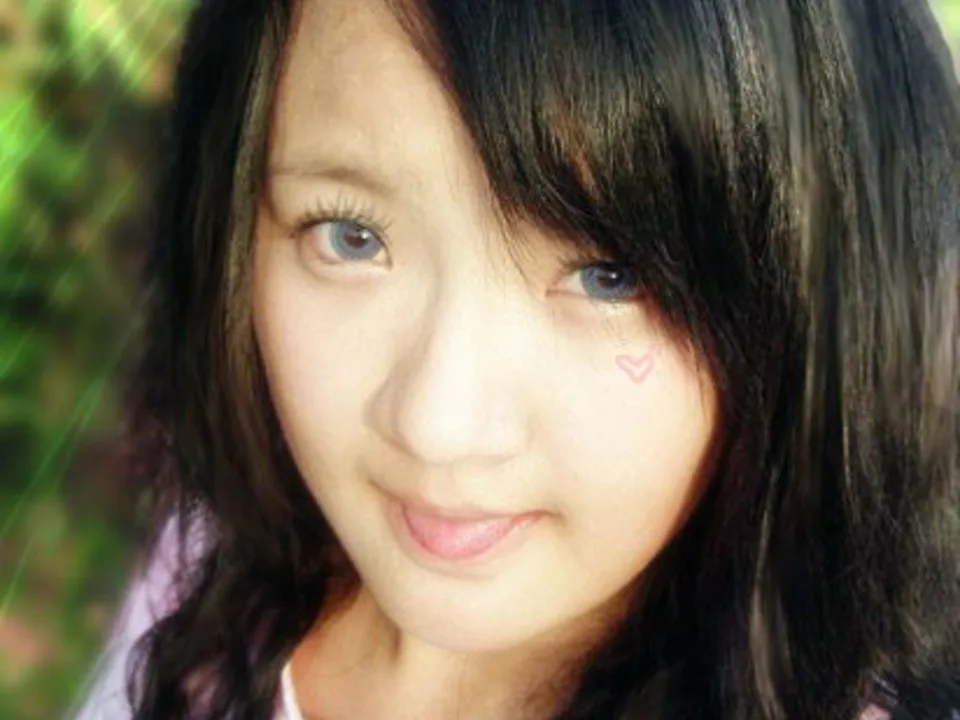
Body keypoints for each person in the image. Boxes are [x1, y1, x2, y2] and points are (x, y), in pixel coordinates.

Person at [70, 0, 960, 718]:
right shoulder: (205, 572)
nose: (437, 426)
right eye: (350, 236)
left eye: (610, 275)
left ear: (819, 305)